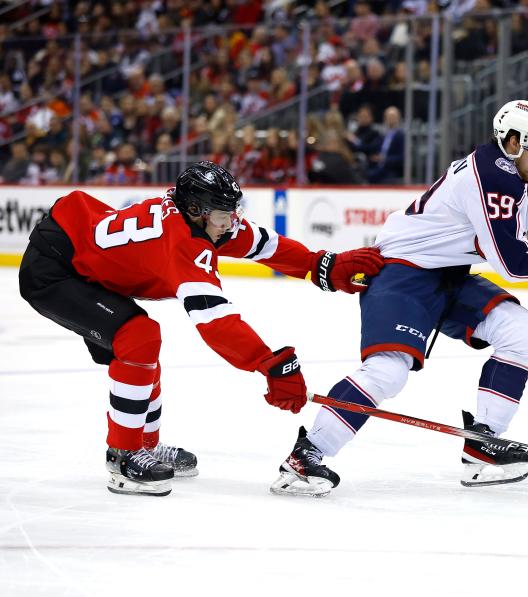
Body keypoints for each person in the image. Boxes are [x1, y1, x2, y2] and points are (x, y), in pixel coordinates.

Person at [269, 100, 528, 497]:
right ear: (513, 141)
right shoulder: (490, 175)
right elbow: (511, 261)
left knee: (519, 328)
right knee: (387, 371)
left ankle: (483, 443)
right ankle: (307, 455)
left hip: (448, 275)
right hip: (403, 272)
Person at [18, 161, 384, 497]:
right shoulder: (182, 244)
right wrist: (271, 364)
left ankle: (143, 444)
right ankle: (124, 454)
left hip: (82, 254)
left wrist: (319, 264)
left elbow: (262, 243)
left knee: (138, 343)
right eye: (225, 215)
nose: (232, 222)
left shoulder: (201, 219)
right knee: (138, 337)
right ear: (196, 211)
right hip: (54, 270)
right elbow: (216, 322)